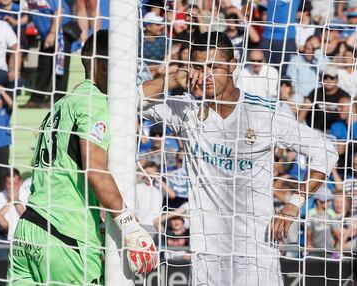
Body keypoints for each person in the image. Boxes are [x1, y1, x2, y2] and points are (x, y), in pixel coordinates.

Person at [141, 31, 338, 285]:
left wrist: (293, 205)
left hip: (257, 252)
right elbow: (130, 101)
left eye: (213, 66)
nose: (205, 75)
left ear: (232, 66)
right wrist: (172, 80)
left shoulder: (264, 112)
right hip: (207, 254)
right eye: (198, 67)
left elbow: (326, 151)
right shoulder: (185, 110)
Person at [7, 30, 157, 285]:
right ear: (105, 64)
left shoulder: (63, 103)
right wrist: (130, 226)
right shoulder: (94, 102)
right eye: (126, 65)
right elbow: (94, 167)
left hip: (28, 231)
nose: (130, 75)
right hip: (65, 235)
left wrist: (173, 78)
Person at [20, 0, 73, 108]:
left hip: (60, 33)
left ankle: (57, 101)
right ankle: (37, 99)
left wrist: (52, 33)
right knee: (43, 67)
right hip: (46, 35)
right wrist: (15, 22)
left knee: (60, 69)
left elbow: (60, 11)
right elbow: (31, 14)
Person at [298, 65, 351, 133]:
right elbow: (304, 108)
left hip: (335, 132)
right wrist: (299, 128)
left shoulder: (344, 96)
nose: (328, 80)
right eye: (325, 77)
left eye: (331, 78)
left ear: (337, 80)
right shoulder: (316, 92)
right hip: (313, 130)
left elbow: (349, 117)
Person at [135, 161, 175, 233]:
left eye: (152, 172)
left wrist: (157, 178)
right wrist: (143, 174)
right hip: (140, 223)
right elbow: (128, 187)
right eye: (148, 172)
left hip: (155, 224)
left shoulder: (159, 187)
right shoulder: (138, 186)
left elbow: (172, 195)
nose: (149, 175)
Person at [0, 169, 30, 241]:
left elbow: (27, 218)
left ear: (20, 182)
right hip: (3, 238)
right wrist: (9, 201)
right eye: (9, 184)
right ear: (4, 183)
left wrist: (16, 200)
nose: (12, 187)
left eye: (15, 184)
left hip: (24, 238)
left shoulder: (27, 195)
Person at [306, 192, 340, 257]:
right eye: (327, 201)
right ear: (318, 201)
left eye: (330, 200)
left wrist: (338, 244)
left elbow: (336, 231)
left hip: (330, 248)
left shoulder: (331, 212)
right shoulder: (311, 213)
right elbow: (309, 231)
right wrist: (309, 244)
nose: (330, 203)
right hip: (315, 248)